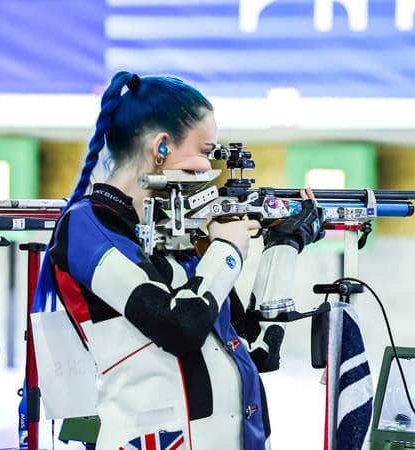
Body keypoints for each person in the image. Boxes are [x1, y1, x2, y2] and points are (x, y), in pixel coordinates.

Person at [33, 72, 324, 449]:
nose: (209, 169)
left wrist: (284, 246)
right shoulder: (87, 225)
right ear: (162, 147)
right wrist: (227, 251)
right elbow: (178, 326)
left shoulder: (175, 233)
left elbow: (257, 350)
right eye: (206, 151)